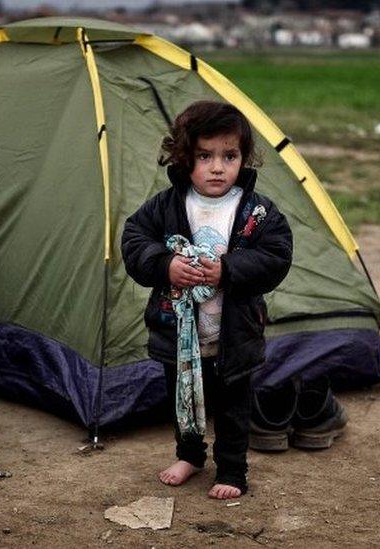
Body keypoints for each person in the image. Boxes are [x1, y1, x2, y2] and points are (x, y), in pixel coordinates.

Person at [121, 100, 293, 499]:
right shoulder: (166, 206)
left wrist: (229, 270)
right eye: (205, 156)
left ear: (243, 158)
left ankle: (231, 469)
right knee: (184, 400)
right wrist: (165, 265)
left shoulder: (257, 212)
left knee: (233, 407)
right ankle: (190, 455)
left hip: (234, 335)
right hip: (179, 336)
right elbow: (134, 241)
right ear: (184, 158)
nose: (218, 167)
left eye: (229, 156)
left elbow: (277, 255)